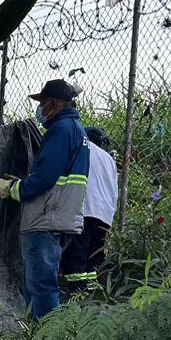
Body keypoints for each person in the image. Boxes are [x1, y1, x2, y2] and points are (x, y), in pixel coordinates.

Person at [0, 79, 88, 319]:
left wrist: (14, 189)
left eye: (43, 103)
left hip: (46, 216)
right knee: (44, 280)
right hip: (62, 214)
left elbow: (45, 176)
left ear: (54, 104)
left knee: (40, 284)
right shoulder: (77, 130)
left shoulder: (61, 130)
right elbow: (58, 174)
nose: (40, 109)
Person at [59, 126, 118, 295]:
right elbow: (114, 190)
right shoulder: (108, 159)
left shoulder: (81, 149)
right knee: (94, 258)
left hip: (84, 208)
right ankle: (92, 296)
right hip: (104, 214)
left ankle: (76, 295)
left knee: (76, 253)